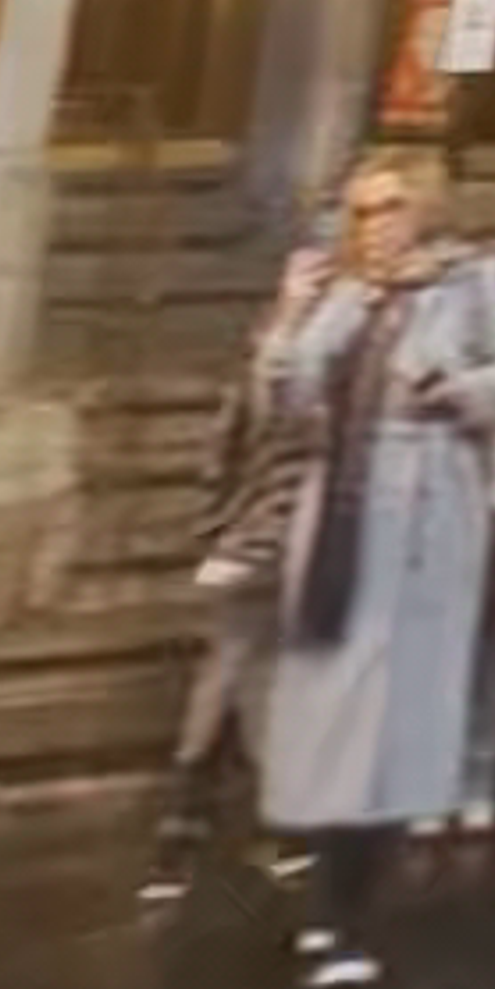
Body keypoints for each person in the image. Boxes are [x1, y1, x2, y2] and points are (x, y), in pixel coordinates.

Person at [257, 149, 495, 989]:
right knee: (328, 718)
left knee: (394, 724)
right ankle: (324, 901)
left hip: (426, 516)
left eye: (385, 207)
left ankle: (351, 912)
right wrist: (291, 319)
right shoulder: (337, 292)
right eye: (357, 210)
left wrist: (454, 386)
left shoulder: (471, 282)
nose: (370, 225)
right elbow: (286, 399)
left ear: (422, 208)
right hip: (342, 514)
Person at [141, 227, 331, 911]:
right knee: (249, 676)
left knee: (237, 673)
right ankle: (259, 823)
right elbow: (253, 434)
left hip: (278, 540)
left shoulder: (294, 350)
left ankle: (191, 820)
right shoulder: (282, 356)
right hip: (267, 541)